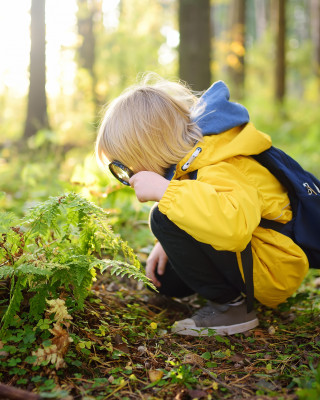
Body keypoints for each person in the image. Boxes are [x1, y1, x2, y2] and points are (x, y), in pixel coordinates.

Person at [95, 74, 309, 336]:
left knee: (161, 217)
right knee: (166, 281)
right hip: (253, 256)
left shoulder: (220, 161)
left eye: (123, 166)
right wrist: (167, 242)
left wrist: (166, 193)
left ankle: (231, 308)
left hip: (271, 267)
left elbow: (233, 227)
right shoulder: (192, 159)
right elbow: (203, 203)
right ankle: (217, 291)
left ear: (148, 149)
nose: (125, 176)